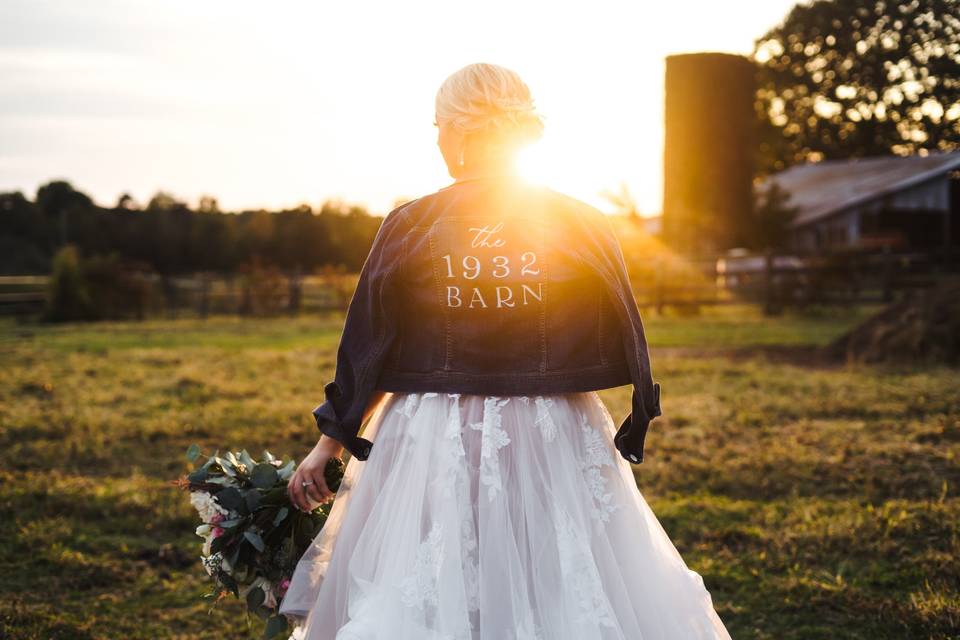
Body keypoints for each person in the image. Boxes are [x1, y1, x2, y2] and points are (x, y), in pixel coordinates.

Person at [280, 62, 732, 640]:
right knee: (558, 578)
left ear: (463, 132)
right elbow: (625, 323)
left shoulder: (411, 224)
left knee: (433, 581)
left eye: (439, 124)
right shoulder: (582, 222)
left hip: (433, 435)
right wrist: (635, 414)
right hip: (554, 431)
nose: (438, 138)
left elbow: (370, 347)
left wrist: (328, 444)